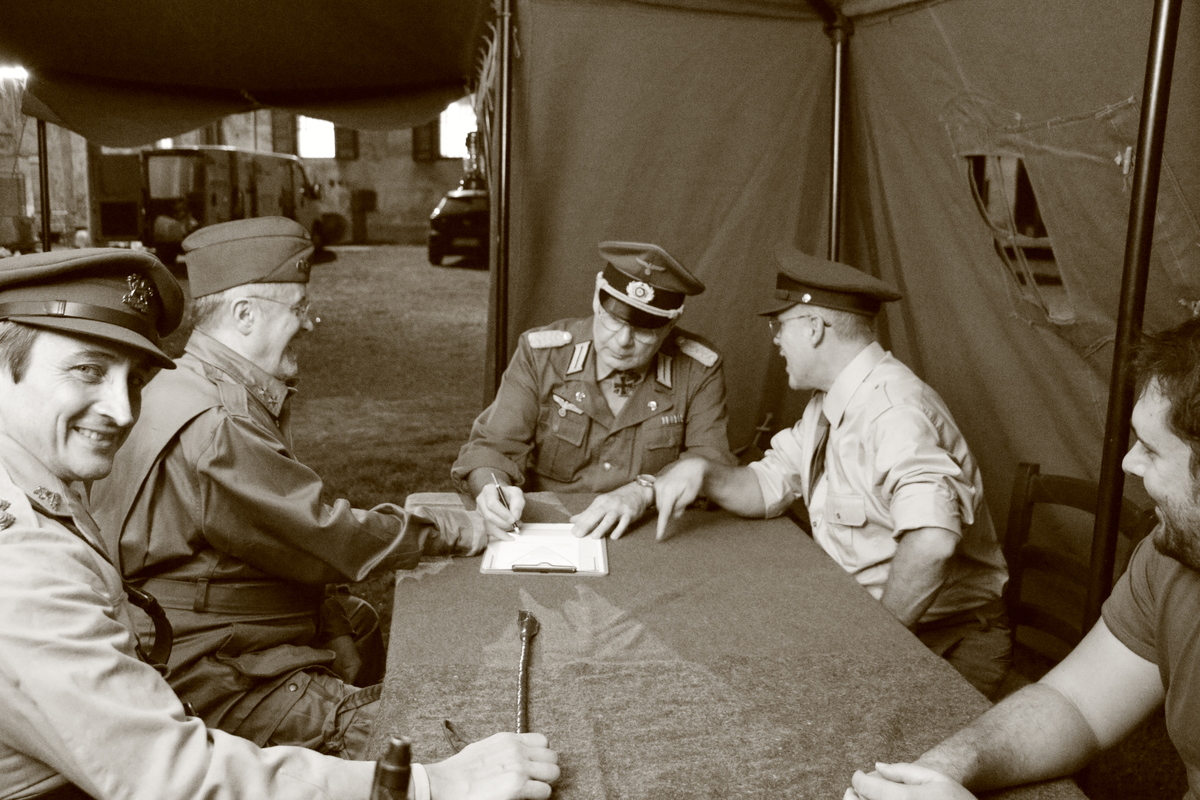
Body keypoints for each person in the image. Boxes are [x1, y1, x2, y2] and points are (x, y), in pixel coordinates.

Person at [0, 247, 559, 799]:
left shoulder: (39, 479)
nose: (122, 411)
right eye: (87, 371)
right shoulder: (22, 564)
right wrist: (431, 781)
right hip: (208, 675)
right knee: (438, 731)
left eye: (134, 381)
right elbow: (173, 775)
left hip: (171, 680)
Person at [89, 217, 495, 758]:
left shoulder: (178, 382)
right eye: (299, 308)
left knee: (359, 622)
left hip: (199, 627)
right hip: (210, 666)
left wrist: (327, 621)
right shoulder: (220, 422)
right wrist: (447, 528)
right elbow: (324, 532)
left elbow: (274, 532)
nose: (310, 324)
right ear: (244, 314)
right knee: (426, 739)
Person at [844, 316, 1200, 800]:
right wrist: (940, 769)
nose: (1128, 463)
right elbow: (1076, 703)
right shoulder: (1174, 552)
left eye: (1153, 451)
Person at [653, 245, 1011, 698]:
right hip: (864, 618)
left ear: (815, 327)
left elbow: (933, 541)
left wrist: (876, 647)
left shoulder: (893, 410)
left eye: (779, 327)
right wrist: (701, 471)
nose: (776, 340)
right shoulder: (833, 400)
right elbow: (768, 485)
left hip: (940, 642)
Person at [452, 240, 736, 540]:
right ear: (597, 302)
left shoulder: (698, 368)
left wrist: (642, 492)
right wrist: (491, 488)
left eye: (643, 330)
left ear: (669, 325)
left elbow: (710, 463)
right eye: (613, 319)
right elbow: (492, 449)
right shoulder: (542, 354)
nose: (623, 340)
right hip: (549, 530)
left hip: (648, 530)